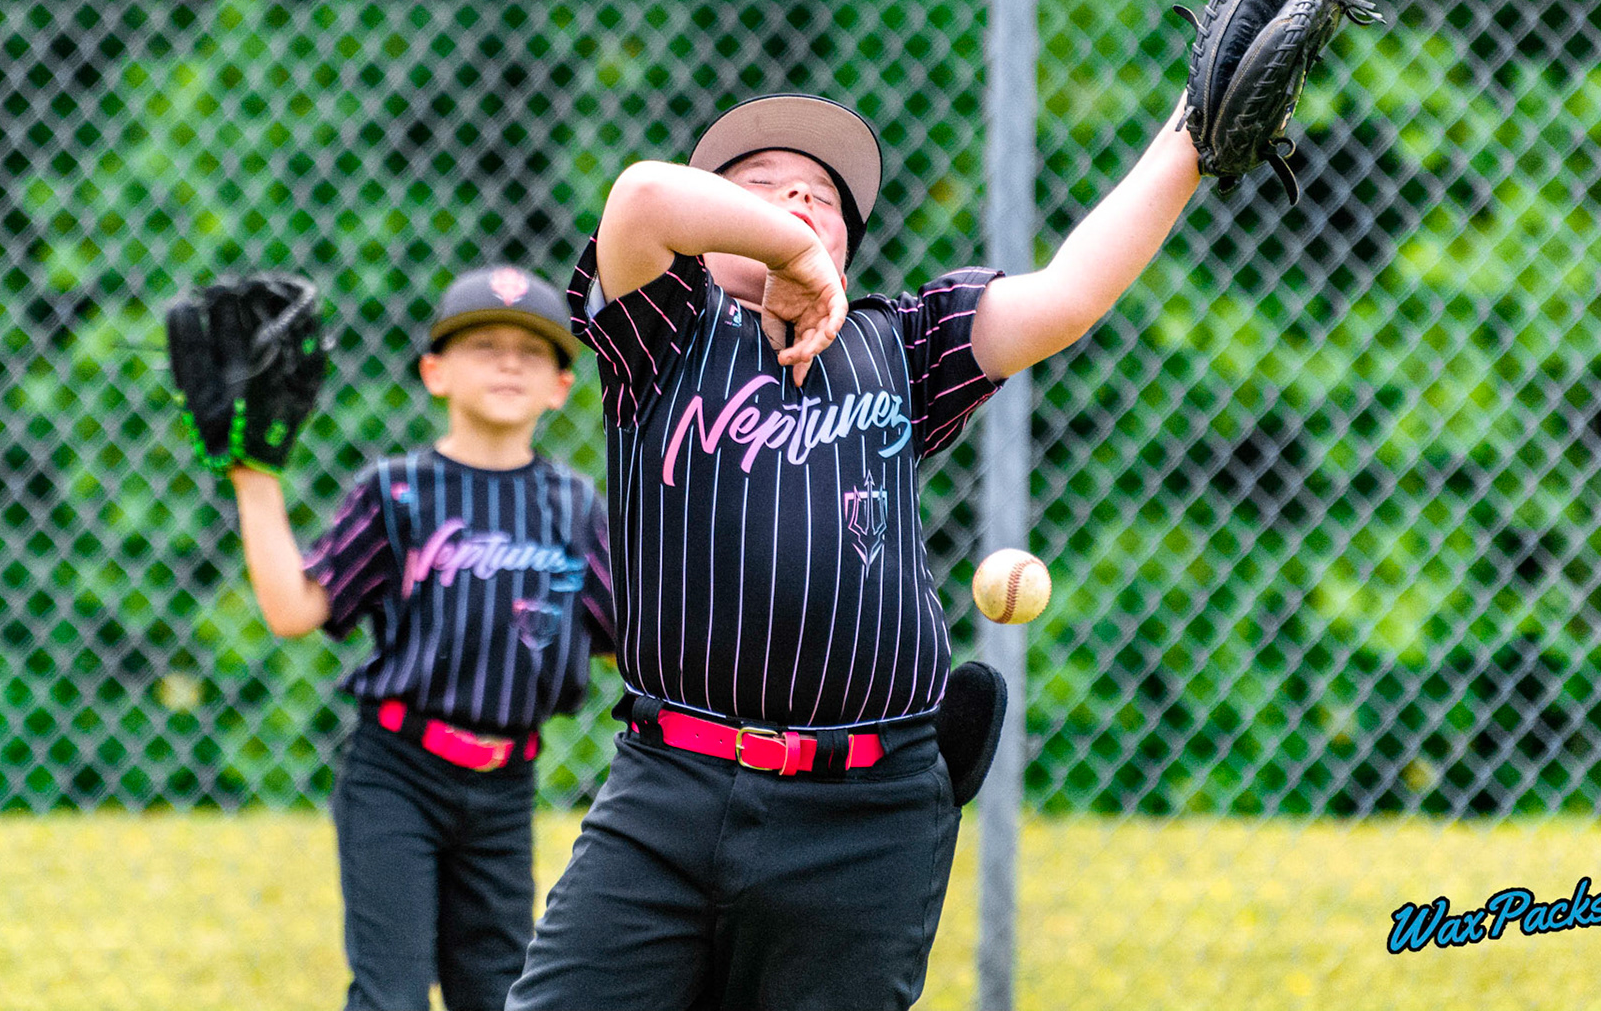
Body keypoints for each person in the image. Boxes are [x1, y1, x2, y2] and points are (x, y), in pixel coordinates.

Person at [506, 93, 1201, 1010]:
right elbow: (640, 198)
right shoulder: (662, 334)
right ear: (710, 233)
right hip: (669, 793)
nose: (794, 200)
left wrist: (1193, 136)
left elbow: (1069, 294)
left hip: (866, 817)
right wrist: (786, 250)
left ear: (850, 246)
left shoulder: (900, 345)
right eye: (757, 188)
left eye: (819, 198)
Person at [228, 265, 616, 1011]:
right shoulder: (398, 491)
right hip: (397, 773)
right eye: (483, 345)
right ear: (434, 373)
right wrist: (255, 478)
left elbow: (621, 643)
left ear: (563, 386)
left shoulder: (574, 506)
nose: (509, 361)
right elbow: (295, 610)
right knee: (391, 995)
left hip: (506, 785)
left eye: (532, 351)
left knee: (499, 992)